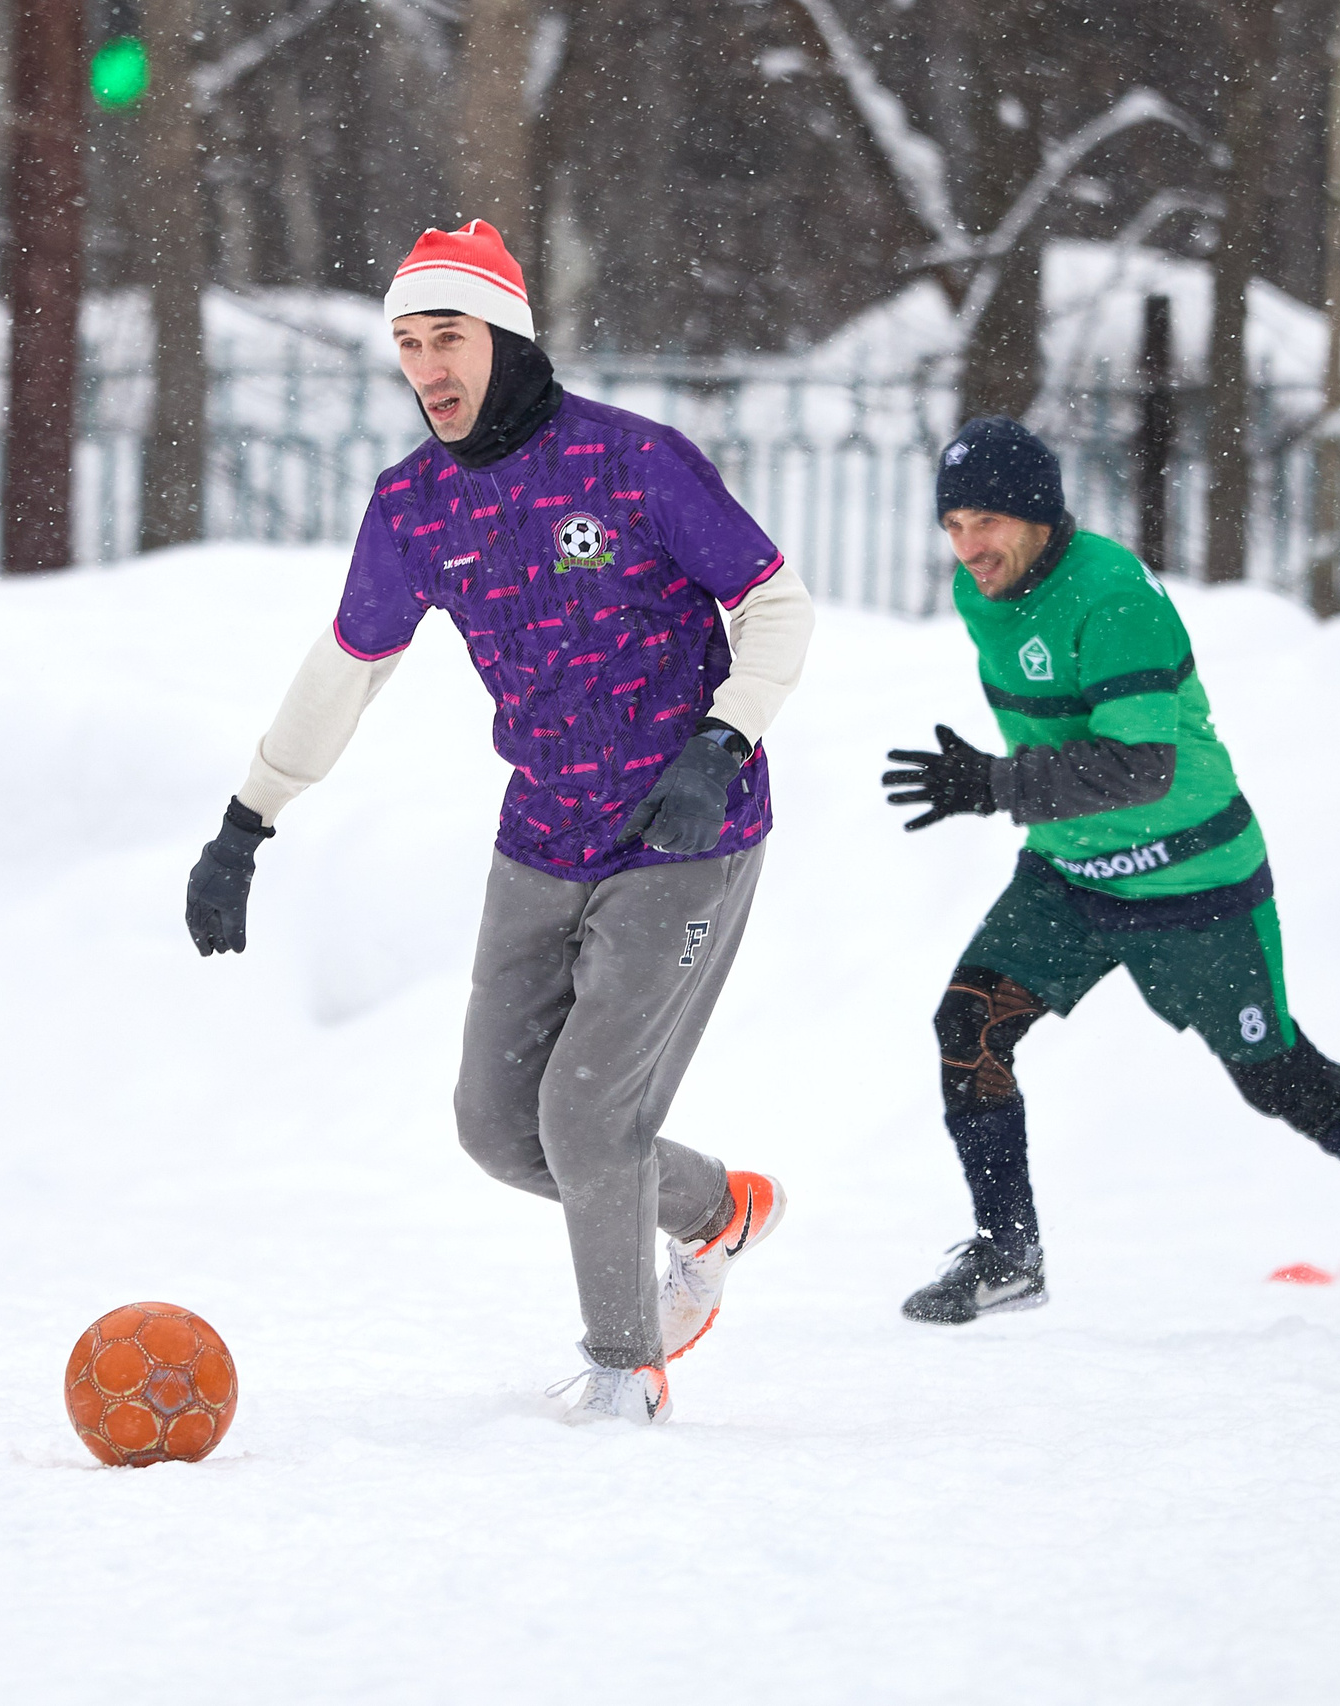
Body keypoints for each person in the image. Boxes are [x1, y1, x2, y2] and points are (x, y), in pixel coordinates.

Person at [184, 220, 813, 1423]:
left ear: (506, 337)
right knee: (496, 1128)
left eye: (449, 336)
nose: (428, 366)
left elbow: (774, 604)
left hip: (686, 830)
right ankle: (718, 1211)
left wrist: (723, 738)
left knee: (587, 1113)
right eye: (408, 343)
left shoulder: (635, 462)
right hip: (542, 831)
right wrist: (243, 821)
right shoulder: (416, 505)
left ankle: (627, 1371)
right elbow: (347, 666)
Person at [881, 417, 1340, 1338]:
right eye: (953, 524)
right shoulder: (981, 592)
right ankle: (1008, 1254)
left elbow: (1141, 766)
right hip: (1074, 874)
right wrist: (1014, 790)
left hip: (1191, 878)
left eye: (986, 522)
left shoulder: (1113, 598)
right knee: (969, 1023)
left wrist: (996, 784)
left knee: (1275, 1074)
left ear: (1040, 516)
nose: (968, 548)